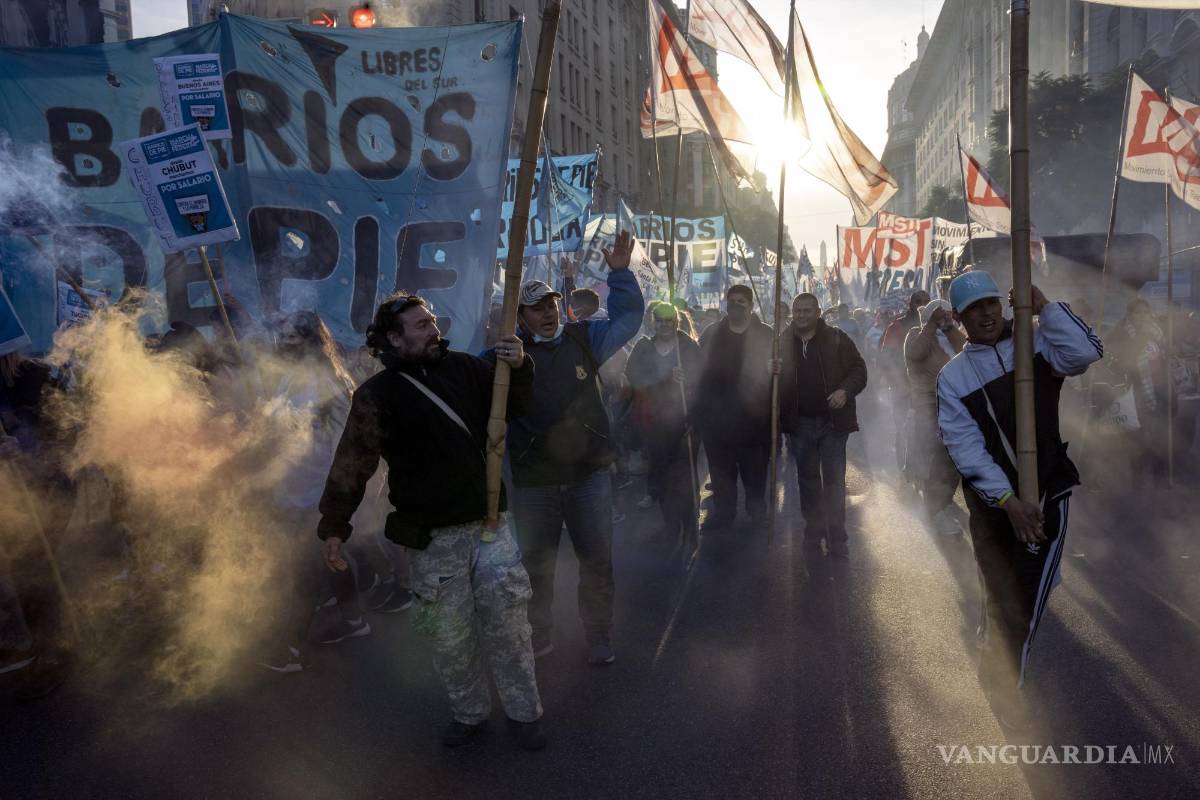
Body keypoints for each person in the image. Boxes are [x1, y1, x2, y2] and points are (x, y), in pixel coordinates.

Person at [317, 294, 546, 749]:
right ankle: (469, 713)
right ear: (394, 338)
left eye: (433, 321)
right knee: (451, 638)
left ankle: (525, 714)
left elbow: (517, 407)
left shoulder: (468, 369)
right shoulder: (376, 396)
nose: (434, 329)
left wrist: (521, 367)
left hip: (490, 526)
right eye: (421, 325)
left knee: (510, 628)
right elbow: (352, 465)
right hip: (431, 538)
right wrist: (334, 527)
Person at [936, 272, 1102, 729]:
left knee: (1024, 597)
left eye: (991, 304)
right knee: (999, 590)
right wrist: (1008, 501)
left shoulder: (1036, 344)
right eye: (973, 310)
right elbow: (964, 447)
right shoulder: (953, 377)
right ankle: (994, 653)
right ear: (959, 319)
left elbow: (1086, 352)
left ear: (1004, 305)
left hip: (1049, 491)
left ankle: (1005, 688)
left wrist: (1045, 305)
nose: (986, 315)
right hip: (993, 507)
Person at [505, 231, 643, 666]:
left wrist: (620, 274)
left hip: (588, 474)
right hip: (535, 481)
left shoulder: (585, 339)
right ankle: (538, 634)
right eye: (535, 308)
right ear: (520, 316)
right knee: (535, 566)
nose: (546, 314)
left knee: (597, 559)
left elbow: (628, 319)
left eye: (549, 304)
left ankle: (599, 633)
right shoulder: (503, 356)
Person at [258, 311, 370, 673]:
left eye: (295, 337)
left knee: (303, 567)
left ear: (311, 341)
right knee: (329, 560)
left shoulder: (332, 384)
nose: (286, 343)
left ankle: (290, 647)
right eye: (285, 337)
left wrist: (336, 495)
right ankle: (355, 622)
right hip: (292, 486)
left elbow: (344, 445)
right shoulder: (288, 378)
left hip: (320, 492)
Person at [773, 293, 868, 557]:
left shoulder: (837, 339)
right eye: (797, 311)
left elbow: (860, 371)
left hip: (832, 424)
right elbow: (770, 386)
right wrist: (770, 371)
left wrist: (844, 392)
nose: (801, 315)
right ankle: (813, 531)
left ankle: (837, 537)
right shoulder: (781, 343)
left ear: (818, 313)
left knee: (835, 482)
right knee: (808, 481)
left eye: (807, 310)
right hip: (800, 424)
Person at [695, 285, 774, 530]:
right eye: (731, 301)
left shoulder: (766, 335)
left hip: (755, 418)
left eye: (741, 301)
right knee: (721, 473)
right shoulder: (711, 333)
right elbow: (698, 370)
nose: (735, 305)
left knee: (755, 471)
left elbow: (782, 372)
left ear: (751, 306)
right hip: (717, 420)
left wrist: (776, 369)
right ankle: (724, 513)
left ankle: (756, 510)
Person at [625, 302, 703, 540]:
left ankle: (690, 523)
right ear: (653, 322)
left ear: (676, 322)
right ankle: (670, 523)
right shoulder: (643, 347)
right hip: (655, 422)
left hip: (685, 421)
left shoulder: (688, 347)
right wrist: (665, 379)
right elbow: (634, 377)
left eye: (669, 320)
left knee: (685, 474)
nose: (664, 324)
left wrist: (686, 379)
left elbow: (702, 379)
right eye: (660, 320)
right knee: (663, 474)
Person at [903, 299, 966, 534]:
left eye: (947, 314)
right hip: (929, 405)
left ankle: (943, 503)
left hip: (957, 406)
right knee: (937, 458)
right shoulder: (916, 335)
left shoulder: (953, 335)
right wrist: (930, 326)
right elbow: (915, 353)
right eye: (938, 315)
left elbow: (966, 349)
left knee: (954, 459)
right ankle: (936, 510)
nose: (943, 318)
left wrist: (949, 328)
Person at [880, 290, 930, 479]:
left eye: (927, 301)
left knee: (927, 430)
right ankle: (904, 468)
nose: (923, 305)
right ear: (911, 304)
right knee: (903, 427)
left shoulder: (935, 326)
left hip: (928, 389)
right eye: (919, 301)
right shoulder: (897, 326)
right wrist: (899, 383)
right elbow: (886, 358)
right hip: (903, 388)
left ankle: (925, 471)